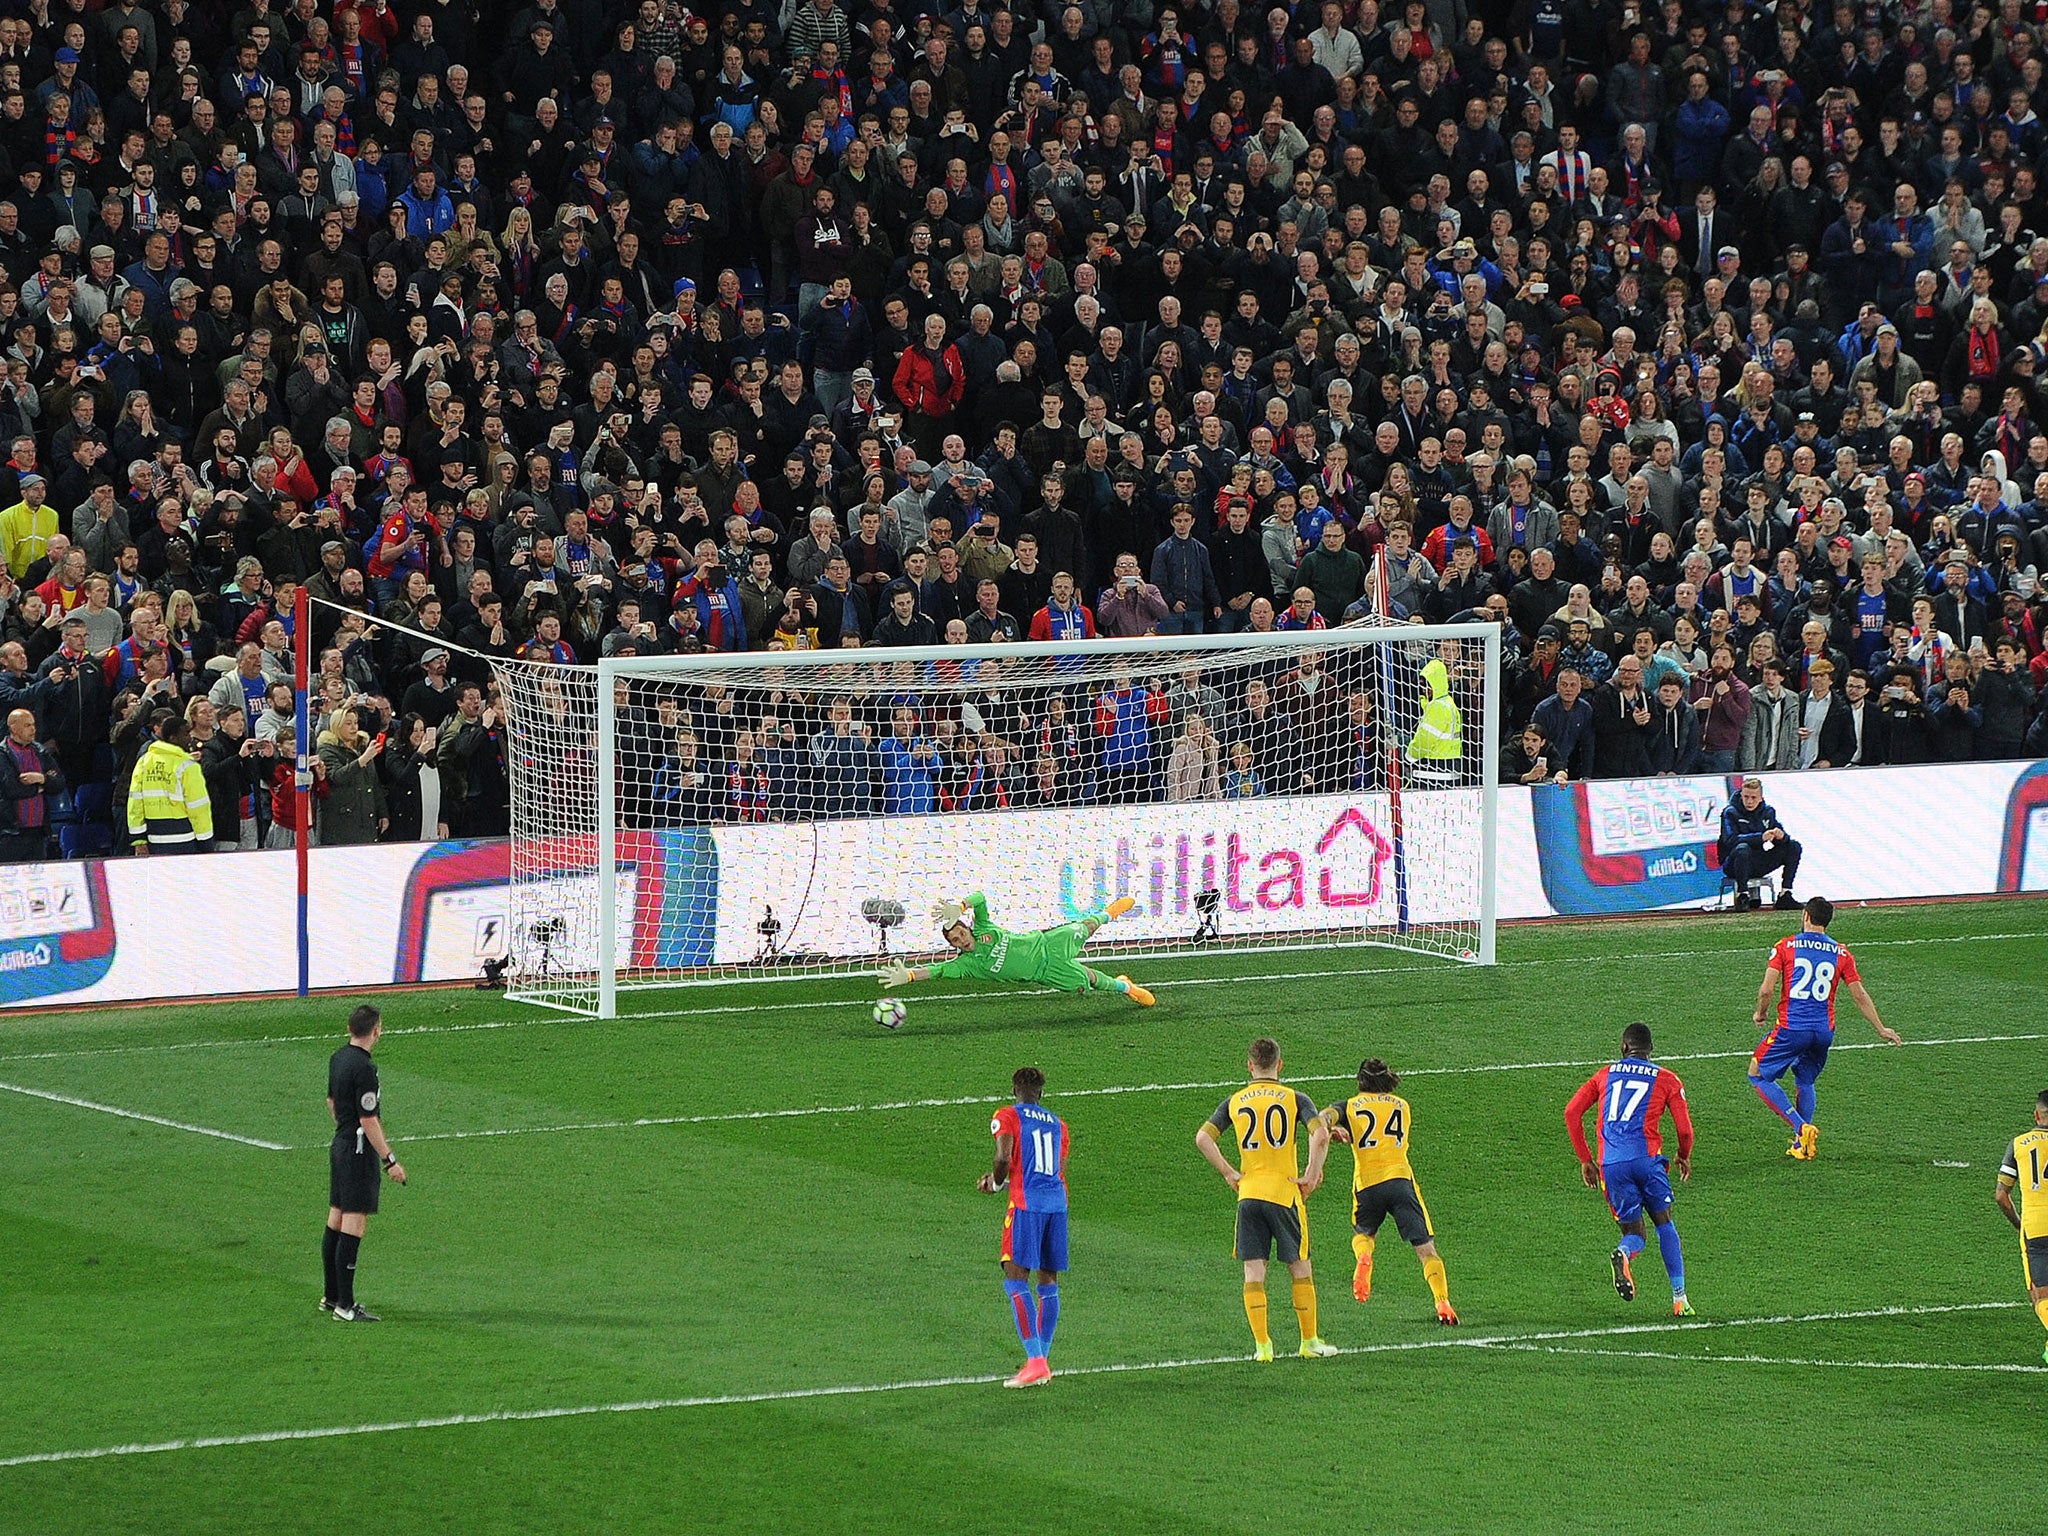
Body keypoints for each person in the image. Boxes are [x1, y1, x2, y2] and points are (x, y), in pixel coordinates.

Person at [1194, 1036, 1337, 1361]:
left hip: (1249, 1195)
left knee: (1253, 1272)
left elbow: (1203, 1138)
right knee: (1300, 1268)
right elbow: (1320, 1133)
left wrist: (1229, 1173)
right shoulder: (1295, 1098)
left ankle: (1262, 1347)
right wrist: (1312, 1173)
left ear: (1249, 1065)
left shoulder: (1235, 1101)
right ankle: (1309, 1342)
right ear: (1280, 1065)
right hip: (1284, 1193)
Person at [1747, 895, 1901, 1161]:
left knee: (1757, 1074)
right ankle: (1802, 1146)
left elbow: (1766, 990)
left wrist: (1761, 1013)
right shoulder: (1842, 952)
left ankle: (1801, 1127)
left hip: (1792, 1028)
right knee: (1805, 1079)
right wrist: (1880, 1027)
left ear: (1805, 915)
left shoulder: (1786, 946)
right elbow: (1860, 994)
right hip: (1823, 1032)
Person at [1564, 1021, 1695, 1317]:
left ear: (1624, 1048)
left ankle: (1624, 1253)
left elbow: (1572, 1112)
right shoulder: (1668, 1079)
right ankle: (1680, 1299)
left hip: (1612, 1165)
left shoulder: (1605, 1074)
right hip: (1648, 1161)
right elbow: (1685, 1130)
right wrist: (1683, 1155)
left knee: (1635, 1231)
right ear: (1650, 1050)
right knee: (1664, 1223)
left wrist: (1586, 1159)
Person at [1318, 1056, 1457, 1325]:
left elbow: (1322, 1118)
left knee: (1364, 1234)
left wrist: (1334, 1129)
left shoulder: (1348, 1107)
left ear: (1360, 1080)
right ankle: (1443, 1302)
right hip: (1400, 1180)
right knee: (1426, 1249)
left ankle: (1365, 1256)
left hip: (1368, 1184)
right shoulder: (1402, 1107)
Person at [880, 891, 1154, 1005]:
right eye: (954, 940)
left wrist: (961, 906)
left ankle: (1110, 913)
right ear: (953, 946)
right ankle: (1126, 987)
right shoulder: (967, 965)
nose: (960, 939)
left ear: (967, 929)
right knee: (1089, 981)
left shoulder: (984, 927)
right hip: (1045, 973)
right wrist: (912, 975)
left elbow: (981, 898)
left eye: (961, 932)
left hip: (1047, 943)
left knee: (1084, 927)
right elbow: (937, 971)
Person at [978, 1065, 1067, 1389]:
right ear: (1041, 1093)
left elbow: (1003, 1159)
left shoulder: (1008, 1115)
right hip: (1057, 1204)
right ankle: (1041, 1360)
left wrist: (996, 1184)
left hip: (1026, 1204)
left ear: (1015, 1091)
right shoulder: (1059, 1124)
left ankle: (1035, 1361)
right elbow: (1059, 1167)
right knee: (1048, 1282)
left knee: (1015, 1278)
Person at [324, 1003, 406, 1322]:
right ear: (376, 1031)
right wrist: (390, 1160)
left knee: (336, 1217)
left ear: (349, 1028)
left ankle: (332, 1297)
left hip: (340, 1144)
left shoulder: (338, 1057)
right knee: (354, 1222)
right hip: (357, 1149)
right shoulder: (364, 1068)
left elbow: (332, 1101)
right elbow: (368, 1118)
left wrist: (344, 1129)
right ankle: (346, 1305)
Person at [1993, 1089, 2048, 1364]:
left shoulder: (2019, 1144)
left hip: (2035, 1225)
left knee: (2040, 1294)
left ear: (2037, 1115)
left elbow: (2001, 1196)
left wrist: (2019, 1225)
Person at [125, 709, 213, 853]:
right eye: (185, 734)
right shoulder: (188, 766)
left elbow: (135, 803)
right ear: (173, 738)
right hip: (185, 839)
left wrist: (138, 838)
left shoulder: (144, 762)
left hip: (154, 839)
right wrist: (206, 842)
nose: (190, 738)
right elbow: (198, 808)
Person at [1716, 775, 1801, 911]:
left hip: (1757, 861)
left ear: (1760, 798)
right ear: (1741, 795)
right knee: (1742, 849)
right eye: (1746, 797)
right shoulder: (1730, 812)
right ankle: (1742, 895)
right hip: (1734, 863)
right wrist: (1760, 837)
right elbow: (1730, 840)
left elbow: (1780, 839)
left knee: (1793, 846)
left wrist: (1781, 837)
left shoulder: (1767, 812)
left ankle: (1785, 894)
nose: (1749, 801)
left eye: (1753, 798)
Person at [0, 707, 61, 860]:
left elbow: (59, 783)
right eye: (27, 725)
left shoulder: (40, 751)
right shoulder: (3, 754)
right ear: (13, 727)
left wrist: (41, 779)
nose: (33, 729)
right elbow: (11, 789)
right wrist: (40, 788)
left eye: (33, 724)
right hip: (11, 834)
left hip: (38, 832)